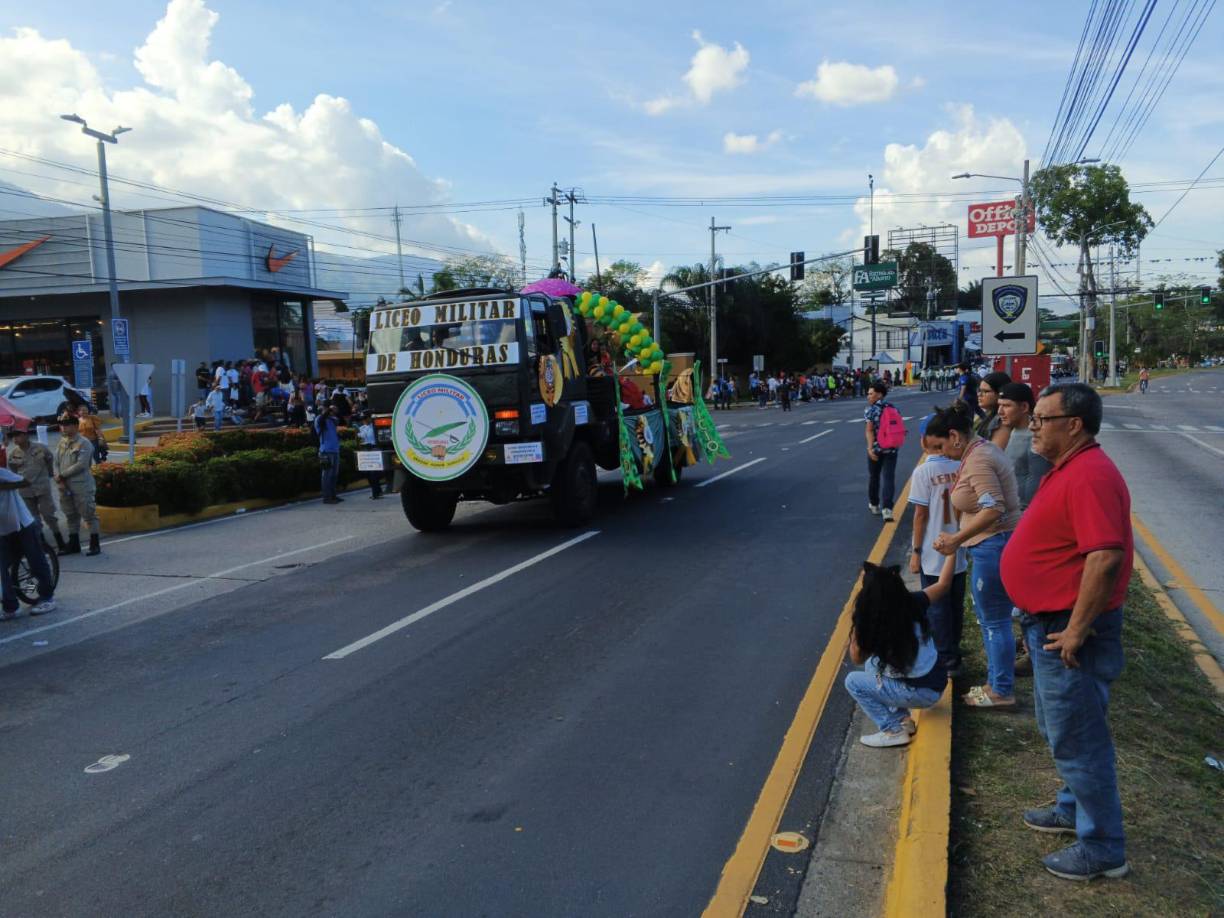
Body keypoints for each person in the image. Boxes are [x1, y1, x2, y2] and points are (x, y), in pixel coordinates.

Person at [1000, 383, 1132, 882]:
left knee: (1079, 739)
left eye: (1041, 418)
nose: (1032, 426)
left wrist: (1077, 630)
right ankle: (1071, 808)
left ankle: (1102, 848)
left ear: (1072, 424)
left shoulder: (1091, 475)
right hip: (1050, 624)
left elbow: (1106, 557)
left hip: (1068, 631)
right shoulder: (1071, 469)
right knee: (1063, 729)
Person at [927, 402, 1021, 708]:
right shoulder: (980, 451)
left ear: (955, 435)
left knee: (994, 621)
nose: (940, 454)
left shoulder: (978, 459)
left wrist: (956, 539)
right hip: (994, 543)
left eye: (941, 446)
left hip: (992, 544)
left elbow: (993, 507)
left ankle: (1001, 690)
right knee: (994, 620)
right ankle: (996, 684)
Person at [844, 553, 957, 747]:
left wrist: (858, 622)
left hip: (919, 692)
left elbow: (856, 658)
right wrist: (952, 552)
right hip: (937, 680)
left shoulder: (873, 624)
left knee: (853, 682)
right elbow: (943, 585)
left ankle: (892, 730)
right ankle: (904, 722)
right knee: (873, 665)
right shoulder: (913, 601)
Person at [908, 426, 968, 674]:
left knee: (937, 605)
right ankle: (954, 649)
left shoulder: (923, 472)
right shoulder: (959, 467)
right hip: (959, 543)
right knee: (955, 601)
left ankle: (945, 658)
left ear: (924, 440)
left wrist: (916, 551)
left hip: (934, 548)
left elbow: (920, 515)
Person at [0, 465, 57, 618]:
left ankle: (46, 597)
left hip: (22, 523)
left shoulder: (2, 473)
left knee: (35, 560)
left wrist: (3, 486)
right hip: (3, 529)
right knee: (2, 568)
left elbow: (25, 482)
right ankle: (11, 606)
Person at [6, 426, 66, 553]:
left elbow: (49, 460)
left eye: (18, 435)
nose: (16, 439)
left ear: (26, 435)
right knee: (33, 519)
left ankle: (60, 542)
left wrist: (48, 474)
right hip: (25, 491)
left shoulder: (40, 448)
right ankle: (42, 544)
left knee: (49, 515)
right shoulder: (13, 454)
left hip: (42, 488)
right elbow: (13, 470)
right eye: (14, 437)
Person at [54, 415, 101, 556]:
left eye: (66, 425)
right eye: (62, 425)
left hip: (81, 485)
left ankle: (94, 544)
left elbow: (81, 464)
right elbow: (56, 461)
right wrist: (58, 476)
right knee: (70, 514)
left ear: (75, 426)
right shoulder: (62, 442)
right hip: (64, 485)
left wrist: (62, 474)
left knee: (89, 514)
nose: (63, 428)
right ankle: (73, 544)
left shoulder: (84, 443)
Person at [863, 381, 899, 522]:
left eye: (871, 393)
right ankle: (887, 510)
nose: (868, 396)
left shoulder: (870, 410)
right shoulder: (893, 408)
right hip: (891, 448)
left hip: (877, 448)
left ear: (879, 394)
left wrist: (870, 448)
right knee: (889, 478)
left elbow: (869, 430)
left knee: (874, 476)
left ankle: (874, 504)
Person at [315, 403, 342, 504]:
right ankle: (326, 497)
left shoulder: (331, 419)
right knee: (327, 475)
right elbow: (321, 419)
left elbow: (337, 420)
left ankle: (333, 495)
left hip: (335, 449)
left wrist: (332, 411)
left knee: (334, 474)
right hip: (325, 450)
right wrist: (327, 410)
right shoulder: (319, 419)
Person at [974, 371, 1011, 443]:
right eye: (979, 390)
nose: (979, 394)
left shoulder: (1002, 420)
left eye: (986, 391)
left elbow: (994, 452)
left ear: (999, 394)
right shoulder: (991, 414)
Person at [357, 415, 383, 500]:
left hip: (374, 449)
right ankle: (378, 490)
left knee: (373, 473)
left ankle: (375, 493)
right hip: (365, 450)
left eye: (365, 418)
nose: (364, 420)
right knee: (367, 473)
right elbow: (360, 438)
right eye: (362, 419)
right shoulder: (362, 428)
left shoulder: (375, 426)